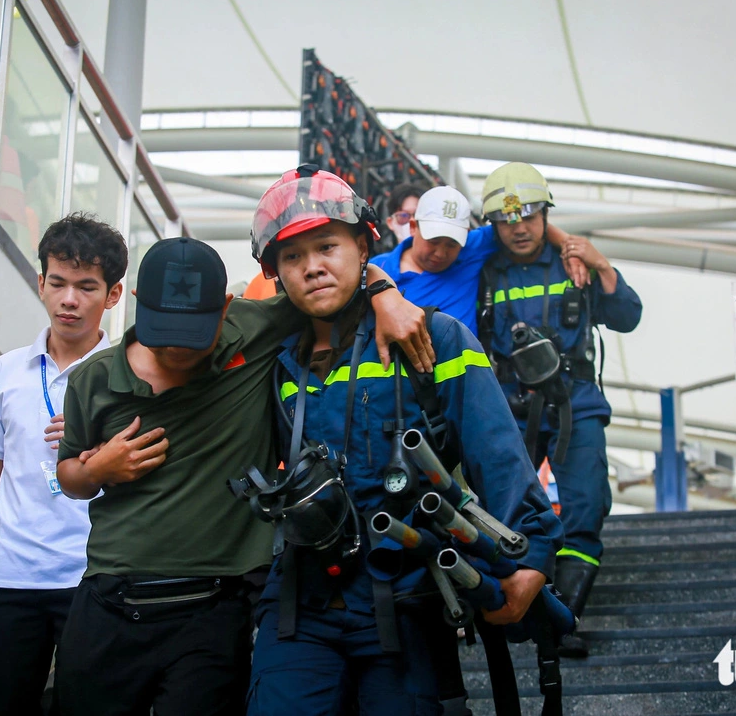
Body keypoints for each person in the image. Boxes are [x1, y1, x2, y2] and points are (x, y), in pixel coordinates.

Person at [52, 232, 432, 716]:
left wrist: (387, 295)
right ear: (134, 302)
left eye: (193, 334)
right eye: (162, 330)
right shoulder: (96, 378)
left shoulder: (253, 330)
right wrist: (98, 469)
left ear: (226, 306)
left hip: (215, 604)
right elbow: (67, 474)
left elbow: (336, 282)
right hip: (110, 597)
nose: (177, 349)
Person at [243, 166, 563, 715]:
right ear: (275, 273)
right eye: (292, 258)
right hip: (300, 603)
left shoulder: (433, 338)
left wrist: (531, 555)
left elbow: (498, 453)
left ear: (365, 246)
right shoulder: (271, 361)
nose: (312, 267)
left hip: (408, 596)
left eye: (327, 247)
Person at [0, 213, 127, 716]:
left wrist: (98, 444)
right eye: (58, 283)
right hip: (8, 576)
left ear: (112, 295)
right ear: (40, 283)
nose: (69, 300)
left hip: (96, 575)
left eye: (87, 287)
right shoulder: (4, 372)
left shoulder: (129, 375)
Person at [478, 162, 643, 658]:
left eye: (530, 215)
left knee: (587, 504)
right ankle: (513, 609)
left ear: (545, 213)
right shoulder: (482, 272)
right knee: (504, 513)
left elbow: (627, 317)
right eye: (507, 220)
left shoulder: (575, 262)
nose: (520, 227)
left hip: (577, 403)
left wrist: (603, 266)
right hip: (512, 410)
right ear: (493, 225)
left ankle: (564, 619)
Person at [370, 185, 583, 334]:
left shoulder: (470, 249)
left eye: (451, 244)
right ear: (415, 227)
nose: (441, 253)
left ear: (465, 235)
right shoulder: (380, 268)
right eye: (433, 241)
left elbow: (529, 229)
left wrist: (569, 246)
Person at [380, 181, 428, 248]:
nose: (412, 222)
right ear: (390, 223)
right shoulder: (381, 259)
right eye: (403, 216)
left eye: (417, 216)